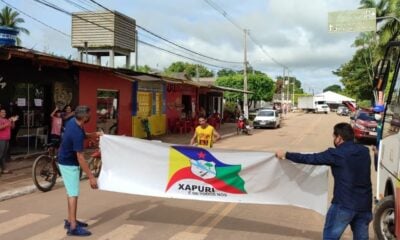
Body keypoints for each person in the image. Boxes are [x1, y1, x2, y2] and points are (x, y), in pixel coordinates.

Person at [275, 122, 372, 240]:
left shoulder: (336, 153)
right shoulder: (364, 151)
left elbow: (310, 158)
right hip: (365, 205)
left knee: (330, 237)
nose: (333, 139)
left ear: (339, 138)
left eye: (334, 137)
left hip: (344, 204)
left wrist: (286, 154)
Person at [57, 105, 102, 236]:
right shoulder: (76, 132)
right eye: (88, 115)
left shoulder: (74, 123)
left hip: (65, 160)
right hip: (69, 164)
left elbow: (85, 135)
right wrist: (91, 177)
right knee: (73, 194)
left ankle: (71, 219)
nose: (90, 117)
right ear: (83, 117)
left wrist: (95, 134)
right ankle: (73, 227)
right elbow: (81, 158)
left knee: (71, 192)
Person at [0, 108, 18, 175]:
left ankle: (3, 169)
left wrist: (13, 121)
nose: (4, 113)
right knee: (1, 154)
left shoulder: (7, 120)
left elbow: (13, 127)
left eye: (4, 112)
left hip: (7, 139)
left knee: (4, 155)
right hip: (1, 139)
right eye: (2, 112)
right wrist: (8, 123)